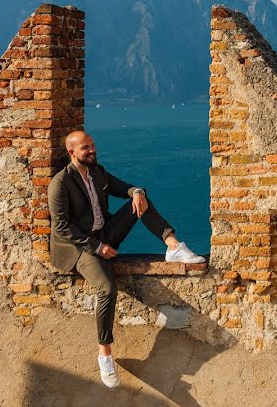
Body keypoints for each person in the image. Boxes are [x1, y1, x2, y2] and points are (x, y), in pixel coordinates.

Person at [48, 130, 206, 388]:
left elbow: (124, 187)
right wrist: (97, 248)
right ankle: (105, 353)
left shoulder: (97, 172)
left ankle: (173, 245)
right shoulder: (61, 183)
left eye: (93, 145)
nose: (92, 150)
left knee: (141, 199)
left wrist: (136, 192)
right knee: (107, 288)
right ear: (72, 153)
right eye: (85, 148)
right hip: (81, 248)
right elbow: (62, 229)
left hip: (104, 234)